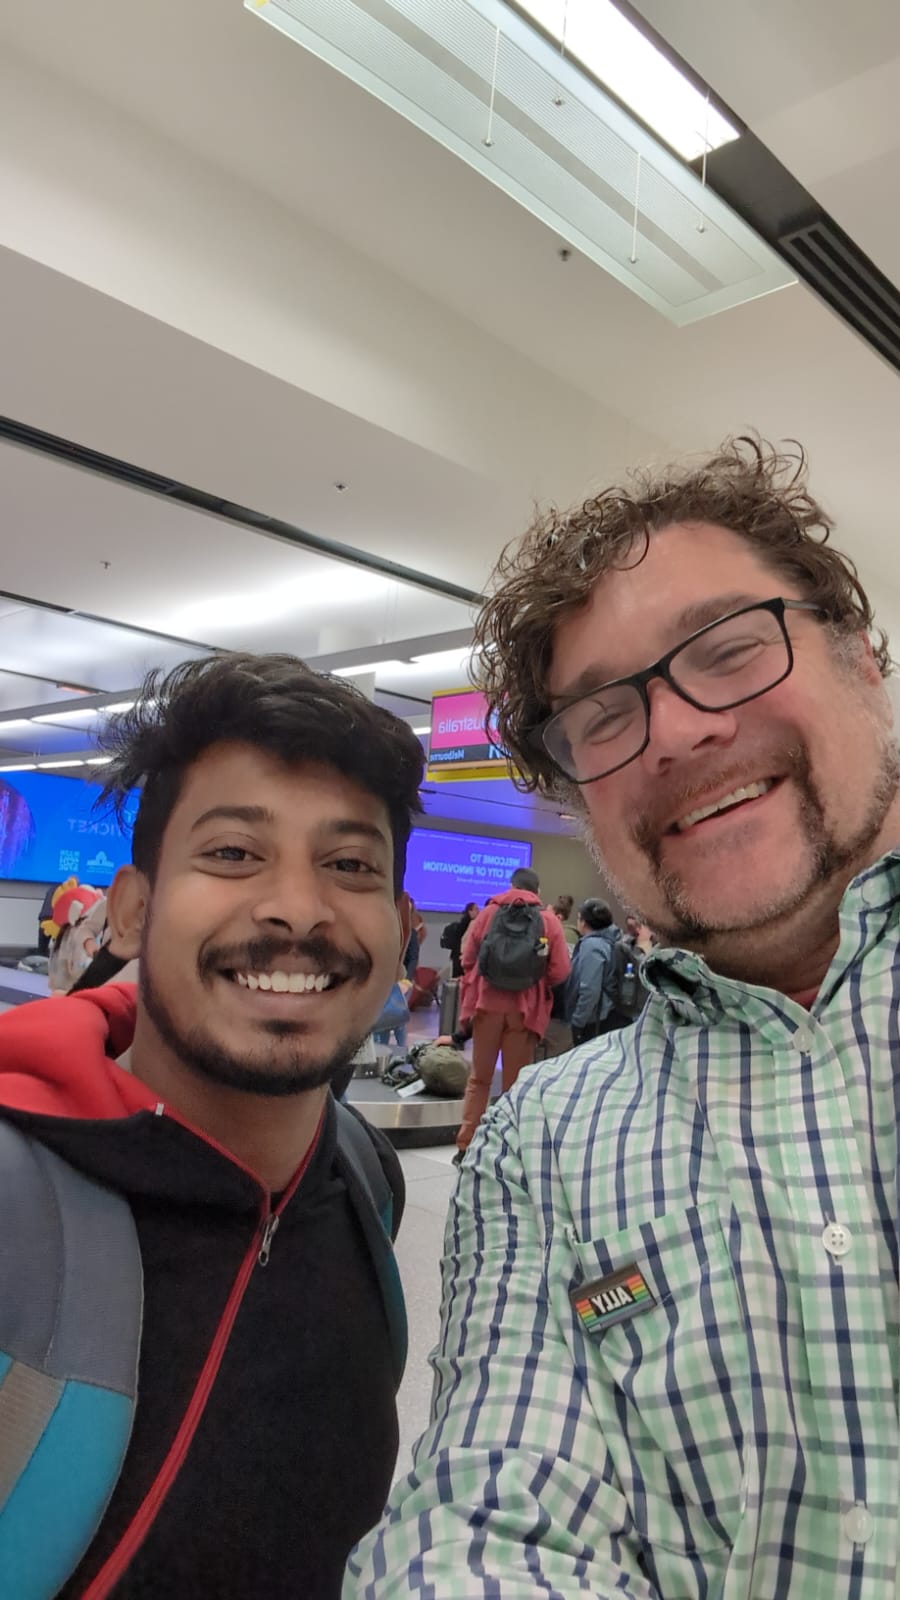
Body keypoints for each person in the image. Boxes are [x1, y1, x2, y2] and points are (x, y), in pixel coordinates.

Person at [347, 436, 900, 1598]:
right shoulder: (541, 1149)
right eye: (603, 717)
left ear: (864, 655)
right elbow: (485, 1528)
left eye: (731, 648)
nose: (681, 731)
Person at [0, 651, 424, 1600]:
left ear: (402, 926)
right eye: (233, 853)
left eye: (349, 865)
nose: (296, 910)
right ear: (134, 908)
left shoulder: (360, 1178)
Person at [455, 866, 569, 1157]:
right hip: (525, 1011)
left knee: (479, 1078)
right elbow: (560, 971)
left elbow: (467, 958)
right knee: (514, 1083)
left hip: (486, 1006)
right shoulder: (548, 921)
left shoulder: (489, 913)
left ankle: (466, 1143)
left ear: (510, 885)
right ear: (537, 891)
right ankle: (504, 1146)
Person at [564, 897, 621, 1044]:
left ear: (584, 922)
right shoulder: (612, 939)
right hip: (608, 1015)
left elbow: (590, 989)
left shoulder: (591, 946)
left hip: (593, 1020)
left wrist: (578, 1020)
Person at [439, 900, 478, 977]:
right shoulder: (468, 924)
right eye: (476, 909)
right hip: (462, 955)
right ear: (470, 911)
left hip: (457, 955)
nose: (478, 912)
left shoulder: (463, 923)